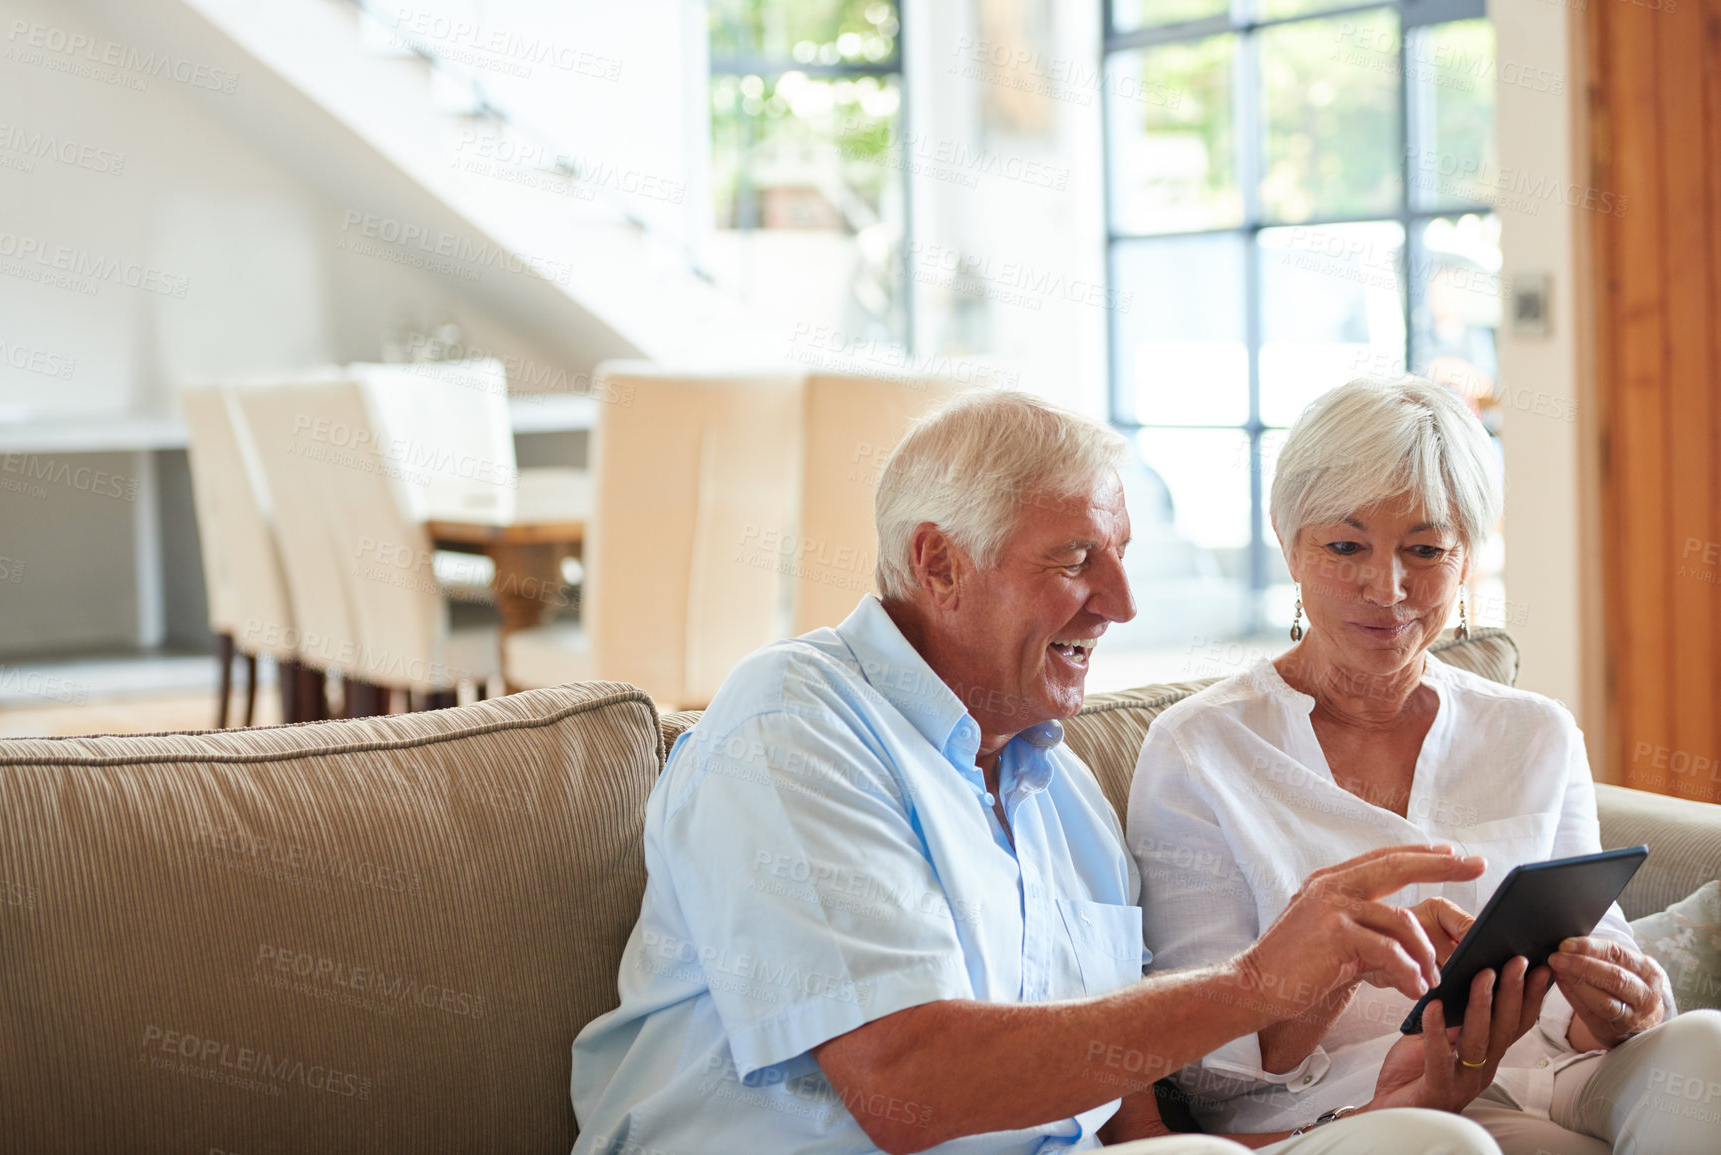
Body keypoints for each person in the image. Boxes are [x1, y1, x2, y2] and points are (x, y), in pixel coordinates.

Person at [571, 389, 1514, 1155]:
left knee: (1429, 1147)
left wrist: (1352, 1127)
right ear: (938, 563)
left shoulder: (1060, 795)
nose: (1121, 603)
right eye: (1075, 560)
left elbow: (1132, 1130)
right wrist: (1260, 982)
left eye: (1122, 558)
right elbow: (906, 1087)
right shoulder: (794, 724)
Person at [1128, 376, 1721, 1154]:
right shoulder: (1199, 748)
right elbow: (1208, 1071)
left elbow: (1593, 985)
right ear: (1287, 539)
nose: (1388, 588)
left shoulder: (1533, 731)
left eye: (1425, 549)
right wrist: (1341, 963)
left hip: (1555, 1075)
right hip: (1353, 1108)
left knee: (1704, 1044)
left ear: (1467, 554)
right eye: (1345, 546)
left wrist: (1628, 1003)